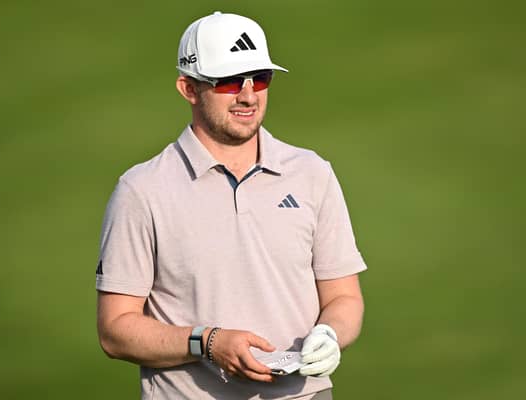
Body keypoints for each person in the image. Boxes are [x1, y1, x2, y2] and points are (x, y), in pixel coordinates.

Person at [95, 11, 367, 400]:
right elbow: (115, 330)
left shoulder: (311, 173)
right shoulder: (142, 190)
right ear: (188, 88)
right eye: (227, 82)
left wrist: (331, 334)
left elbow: (344, 297)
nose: (248, 95)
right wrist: (205, 343)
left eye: (259, 78)